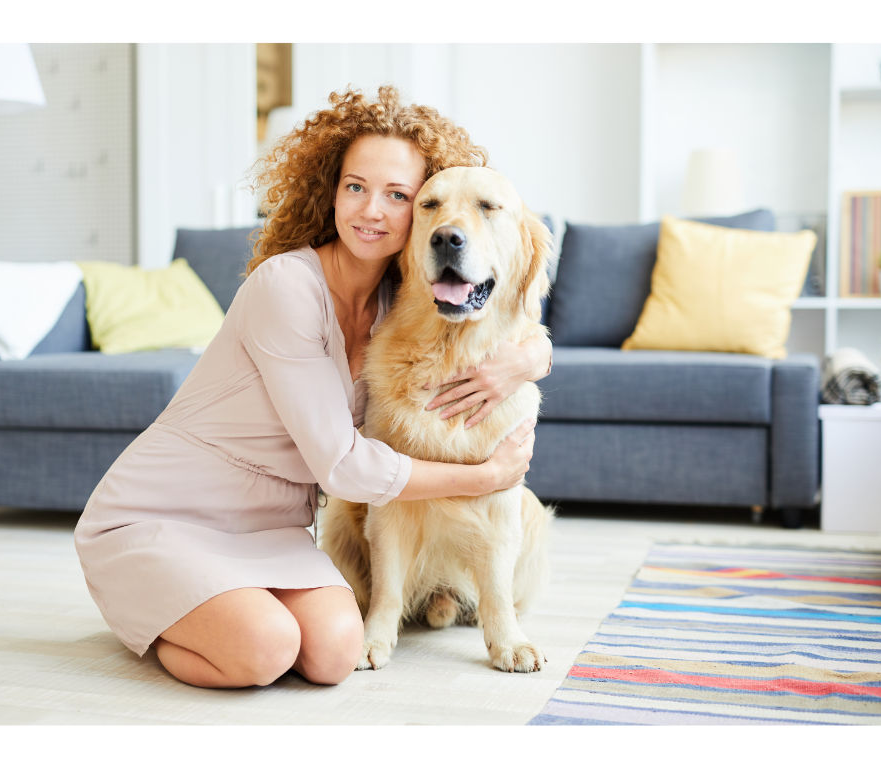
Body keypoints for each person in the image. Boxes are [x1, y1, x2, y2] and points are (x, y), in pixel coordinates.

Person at [74, 87, 553, 690]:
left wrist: (531, 358)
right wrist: (485, 477)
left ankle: (222, 607)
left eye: (398, 195)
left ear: (419, 214)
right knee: (263, 651)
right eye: (355, 187)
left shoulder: (399, 303)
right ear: (329, 191)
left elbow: (515, 311)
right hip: (163, 515)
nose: (371, 211)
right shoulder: (286, 288)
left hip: (266, 531)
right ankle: (157, 614)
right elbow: (341, 465)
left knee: (332, 655)